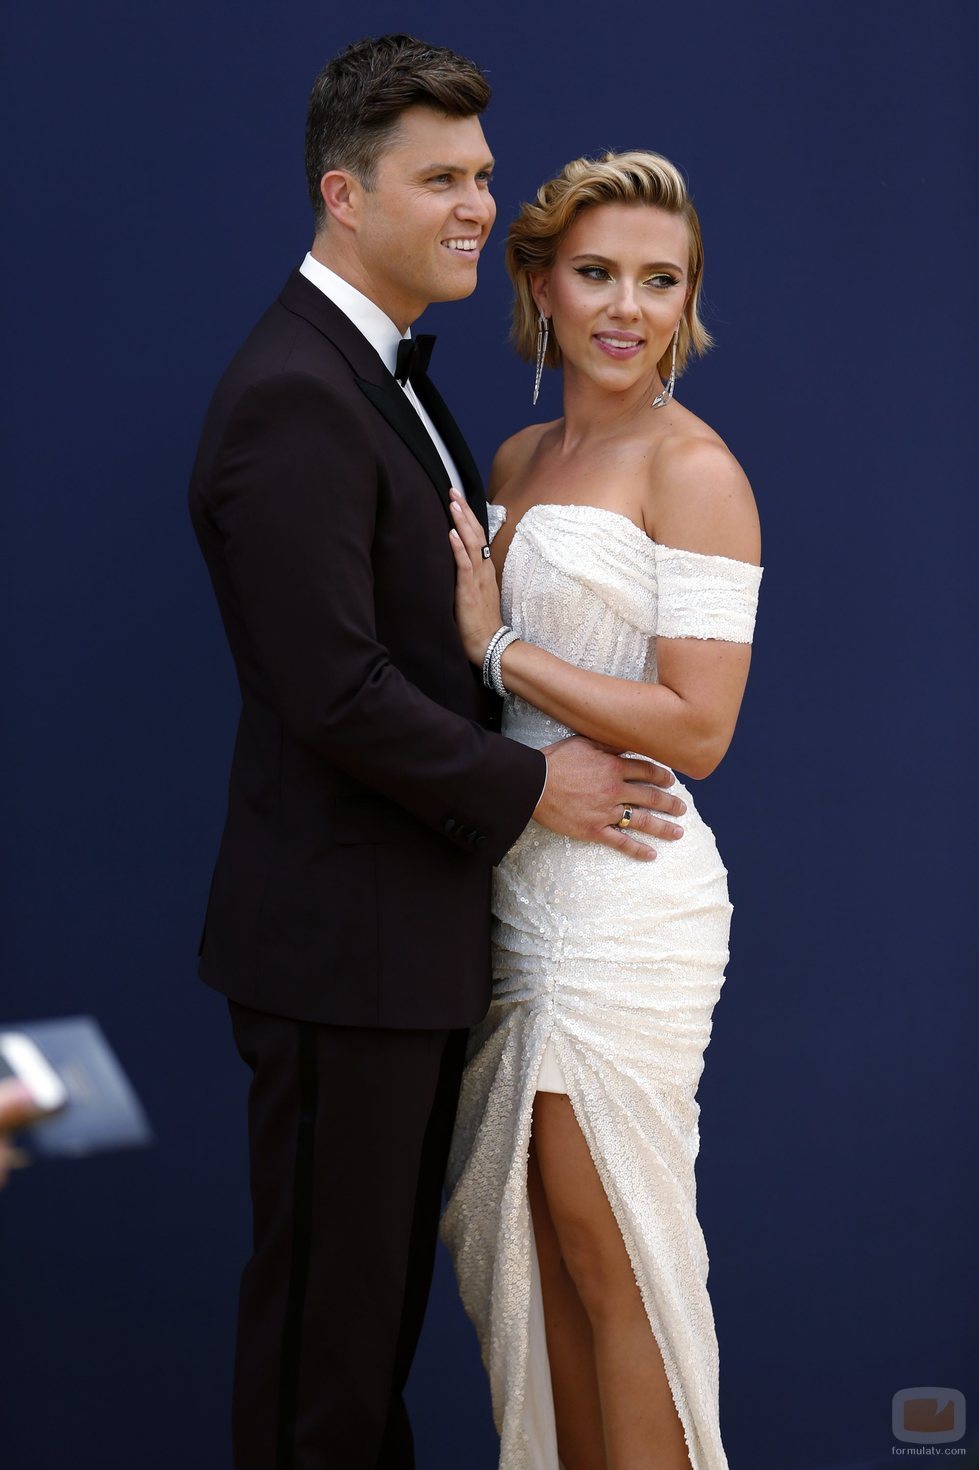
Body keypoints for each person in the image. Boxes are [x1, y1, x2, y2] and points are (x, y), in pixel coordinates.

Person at [188, 40, 687, 1470]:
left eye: (481, 173)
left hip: (402, 939)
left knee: (369, 1343)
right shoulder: (296, 391)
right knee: (324, 1369)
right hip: (337, 948)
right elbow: (333, 690)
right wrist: (540, 784)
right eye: (442, 178)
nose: (478, 203)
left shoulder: (380, 372)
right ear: (345, 194)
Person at [441, 151, 762, 1470]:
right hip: (518, 873)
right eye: (596, 273)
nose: (626, 305)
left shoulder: (696, 469)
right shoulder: (523, 448)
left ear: (687, 300)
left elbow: (702, 725)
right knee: (532, 1250)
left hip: (626, 887)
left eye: (658, 279)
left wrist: (499, 647)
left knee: (605, 1240)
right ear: (540, 285)